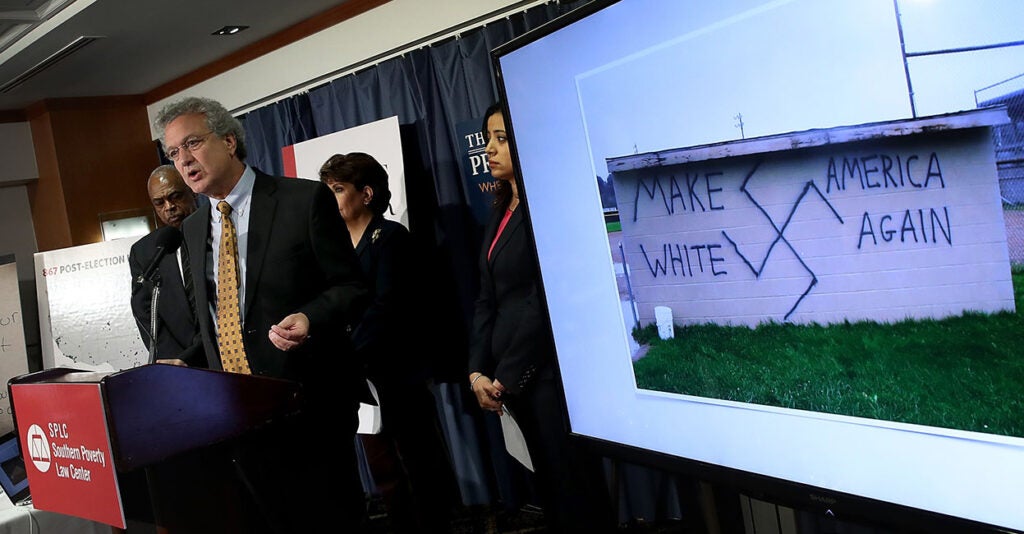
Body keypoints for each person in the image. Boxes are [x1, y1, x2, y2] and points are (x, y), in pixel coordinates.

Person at [154, 96, 370, 533]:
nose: (184, 160)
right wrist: (188, 362)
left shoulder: (301, 199)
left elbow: (352, 287)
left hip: (309, 402)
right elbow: (218, 320)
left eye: (193, 143)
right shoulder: (194, 227)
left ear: (229, 141)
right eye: (174, 152)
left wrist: (309, 318)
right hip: (238, 412)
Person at [467, 102, 615, 531]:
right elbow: (485, 301)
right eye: (487, 140)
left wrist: (507, 373)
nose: (490, 151)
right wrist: (476, 371)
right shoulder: (498, 212)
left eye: (502, 139)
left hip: (548, 378)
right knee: (549, 491)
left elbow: (543, 297)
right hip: (507, 382)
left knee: (574, 490)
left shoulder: (545, 208)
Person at [318, 152, 461, 533]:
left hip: (397, 372)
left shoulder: (391, 238)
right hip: (359, 377)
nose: (330, 199)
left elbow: (388, 306)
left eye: (337, 189)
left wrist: (348, 354)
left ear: (366, 193)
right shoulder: (331, 246)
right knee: (382, 466)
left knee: (418, 460)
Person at [129, 164, 204, 367]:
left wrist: (192, 355)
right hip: (178, 367)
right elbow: (144, 310)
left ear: (192, 192)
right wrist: (175, 359)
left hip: (225, 354)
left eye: (175, 196)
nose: (169, 207)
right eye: (159, 202)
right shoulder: (144, 251)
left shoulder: (217, 231)